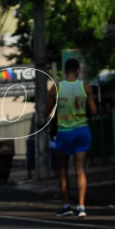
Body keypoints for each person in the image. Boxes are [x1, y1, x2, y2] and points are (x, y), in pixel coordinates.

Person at [45, 58, 97, 218]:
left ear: (65, 71)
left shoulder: (57, 88)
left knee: (63, 169)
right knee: (80, 168)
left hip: (64, 132)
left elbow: (46, 112)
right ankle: (81, 206)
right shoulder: (85, 87)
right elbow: (94, 111)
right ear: (78, 71)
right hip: (82, 131)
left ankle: (66, 205)